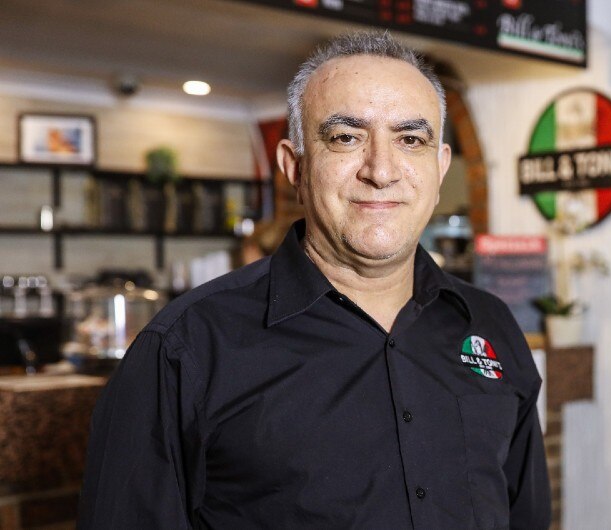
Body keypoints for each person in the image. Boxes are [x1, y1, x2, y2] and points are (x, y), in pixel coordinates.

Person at [78, 31, 550, 529]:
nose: (382, 170)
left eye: (410, 140)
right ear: (295, 167)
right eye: (347, 137)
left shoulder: (491, 325)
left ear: (439, 168)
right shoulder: (185, 349)